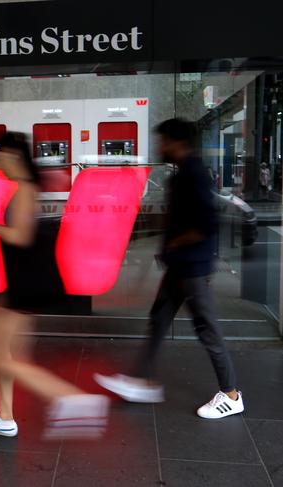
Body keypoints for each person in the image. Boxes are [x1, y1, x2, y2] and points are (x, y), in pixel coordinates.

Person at [95, 119, 244, 419]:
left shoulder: (194, 174)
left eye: (163, 141)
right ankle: (142, 381)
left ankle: (231, 394)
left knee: (207, 329)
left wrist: (176, 243)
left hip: (192, 268)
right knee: (159, 320)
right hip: (181, 266)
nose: (159, 147)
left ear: (177, 142)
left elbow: (206, 224)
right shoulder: (181, 175)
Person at [0, 132, 109, 440]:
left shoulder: (24, 190)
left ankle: (72, 398)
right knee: (10, 355)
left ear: (14, 156)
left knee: (0, 356)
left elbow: (20, 236)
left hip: (22, 286)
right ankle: (5, 417)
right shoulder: (26, 188)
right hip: (21, 283)